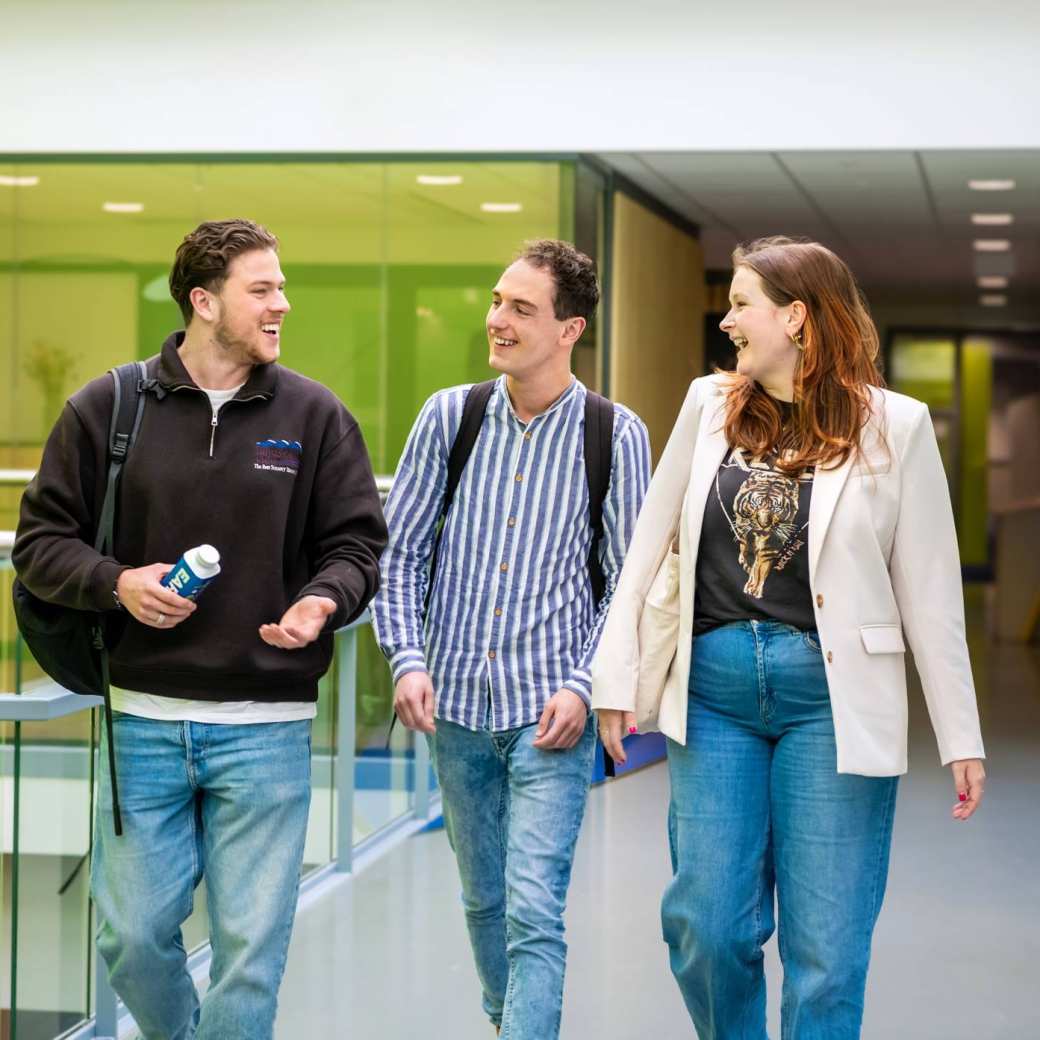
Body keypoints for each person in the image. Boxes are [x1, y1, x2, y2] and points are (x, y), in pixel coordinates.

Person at [593, 236, 986, 1039]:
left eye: (742, 303)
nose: (728, 319)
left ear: (796, 317)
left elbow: (932, 593)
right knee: (707, 926)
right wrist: (616, 678)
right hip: (715, 696)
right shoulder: (709, 406)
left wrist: (961, 736)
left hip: (832, 704)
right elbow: (646, 546)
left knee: (827, 950)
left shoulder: (896, 427)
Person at [13, 218, 387, 1040]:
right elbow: (41, 546)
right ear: (203, 301)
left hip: (269, 730)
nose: (282, 304)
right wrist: (118, 583)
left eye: (281, 288)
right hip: (142, 723)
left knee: (250, 954)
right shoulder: (107, 407)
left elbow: (358, 546)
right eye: (263, 289)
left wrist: (322, 600)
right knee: (134, 937)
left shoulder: (315, 416)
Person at [372, 239, 651, 1039]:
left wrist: (583, 683)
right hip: (454, 707)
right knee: (483, 900)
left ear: (570, 329)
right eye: (497, 301)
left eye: (521, 309)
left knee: (534, 909)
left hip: (549, 716)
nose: (497, 320)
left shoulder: (615, 435)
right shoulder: (447, 417)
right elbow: (403, 554)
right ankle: (507, 1021)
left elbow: (626, 582)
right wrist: (408, 658)